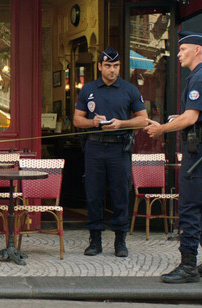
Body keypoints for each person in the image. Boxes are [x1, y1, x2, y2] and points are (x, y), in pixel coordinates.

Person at [145, 31, 202, 284]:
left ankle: (188, 265)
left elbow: (191, 118)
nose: (178, 54)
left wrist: (161, 128)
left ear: (197, 50)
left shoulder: (198, 79)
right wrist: (179, 121)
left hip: (197, 153)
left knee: (189, 208)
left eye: (183, 49)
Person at [73, 46, 148, 258]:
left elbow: (143, 119)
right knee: (94, 194)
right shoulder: (88, 89)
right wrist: (91, 121)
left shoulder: (129, 89)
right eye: (108, 66)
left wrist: (121, 123)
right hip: (95, 146)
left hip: (119, 147)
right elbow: (77, 120)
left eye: (115, 66)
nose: (112, 70)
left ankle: (120, 240)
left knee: (120, 193)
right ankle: (95, 240)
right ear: (99, 66)